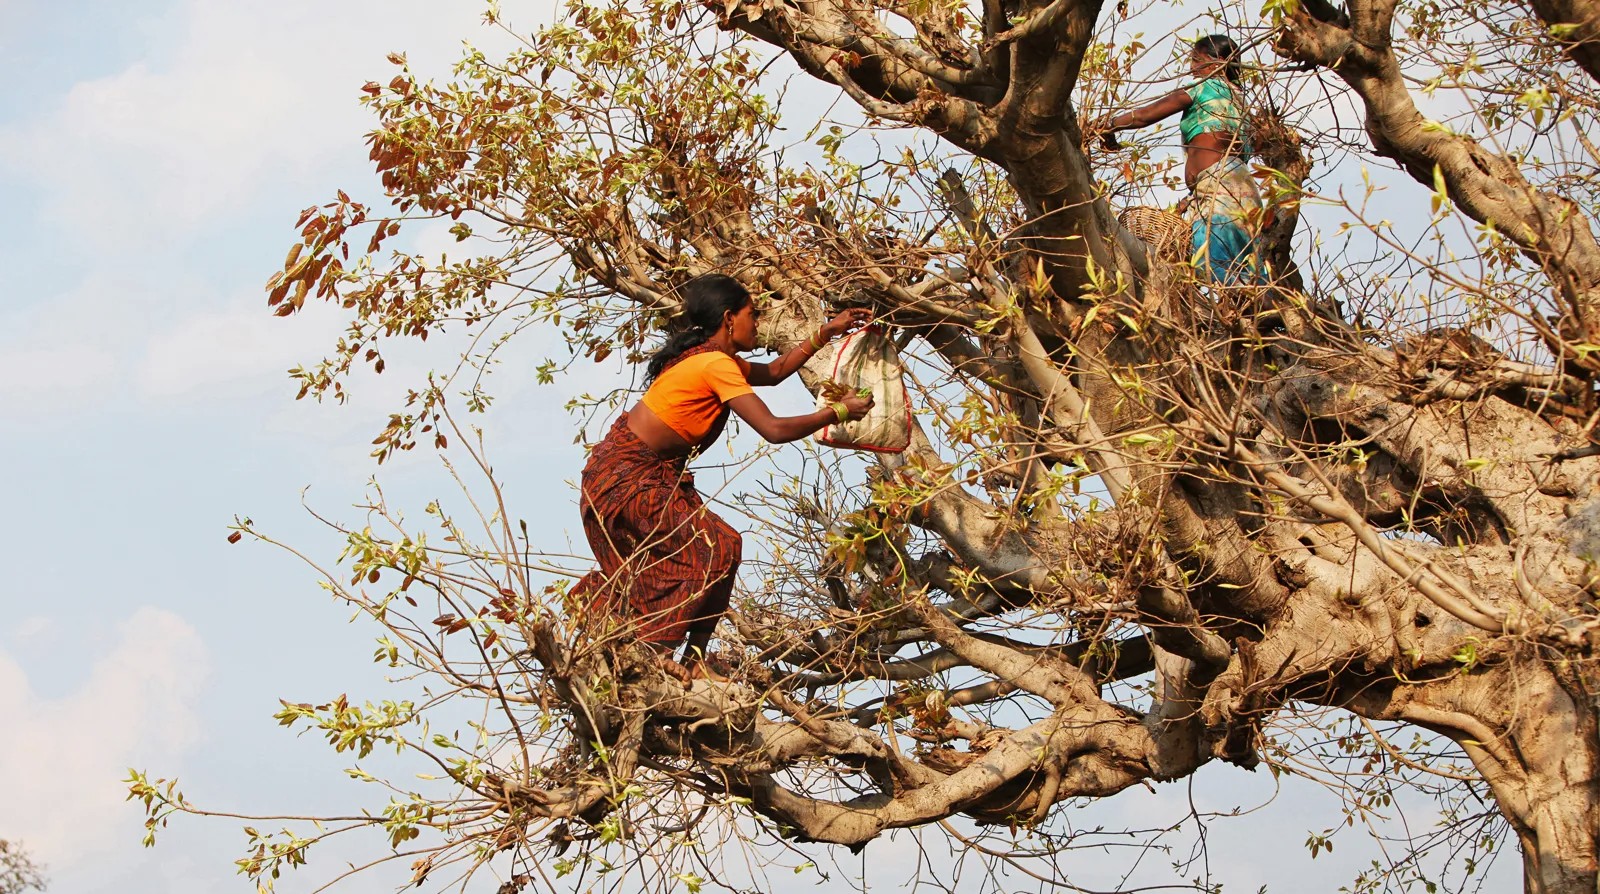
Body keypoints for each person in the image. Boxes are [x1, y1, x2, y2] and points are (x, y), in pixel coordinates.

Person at [571, 273, 874, 680]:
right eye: (753, 314)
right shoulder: (712, 363)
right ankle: (653, 652)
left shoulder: (715, 359)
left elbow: (773, 372)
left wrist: (826, 333)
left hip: (634, 476)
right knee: (714, 547)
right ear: (730, 319)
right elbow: (774, 429)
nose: (758, 323)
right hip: (628, 477)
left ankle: (691, 662)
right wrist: (838, 412)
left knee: (718, 548)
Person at [1099, 34, 1268, 285]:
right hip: (1239, 189)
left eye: (1196, 60)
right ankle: (1264, 312)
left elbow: (1146, 115)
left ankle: (1262, 308)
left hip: (1220, 184)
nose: (1192, 68)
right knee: (1244, 267)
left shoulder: (1204, 87)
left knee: (1210, 262)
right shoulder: (1241, 103)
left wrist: (1107, 126)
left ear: (1218, 62)